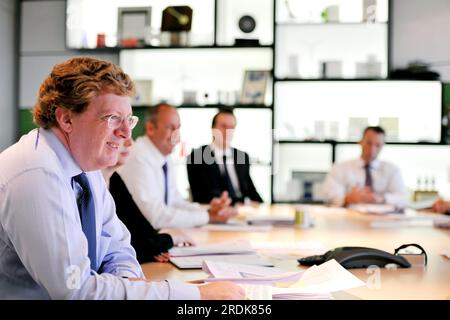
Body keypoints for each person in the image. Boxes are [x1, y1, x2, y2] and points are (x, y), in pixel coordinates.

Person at [0, 57, 244, 299]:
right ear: (66, 119)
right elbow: (77, 290)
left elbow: (118, 248)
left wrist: (128, 284)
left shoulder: (86, 168)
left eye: (129, 119)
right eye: (112, 118)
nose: (126, 132)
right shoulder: (35, 175)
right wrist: (195, 295)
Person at [118, 103, 238, 230]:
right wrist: (208, 216)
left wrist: (209, 210)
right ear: (150, 128)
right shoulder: (138, 156)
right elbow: (154, 216)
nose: (177, 135)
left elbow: (175, 202)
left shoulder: (165, 157)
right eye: (170, 127)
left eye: (178, 128)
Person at [103, 138, 193, 263]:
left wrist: (156, 244)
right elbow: (134, 247)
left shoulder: (115, 179)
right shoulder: (86, 184)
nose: (130, 143)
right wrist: (170, 239)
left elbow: (144, 232)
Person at [187, 109, 263, 205]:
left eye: (231, 127)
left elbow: (251, 191)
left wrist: (261, 205)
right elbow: (202, 195)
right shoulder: (197, 157)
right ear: (213, 128)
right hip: (215, 213)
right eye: (223, 126)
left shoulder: (242, 157)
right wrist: (238, 203)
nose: (227, 131)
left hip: (243, 213)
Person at [322, 126, 408, 208]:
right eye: (369, 143)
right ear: (360, 142)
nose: (372, 149)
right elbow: (329, 197)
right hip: (349, 218)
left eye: (377, 145)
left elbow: (403, 198)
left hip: (382, 220)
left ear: (382, 146)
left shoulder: (392, 170)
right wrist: (348, 199)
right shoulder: (340, 168)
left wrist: (382, 199)